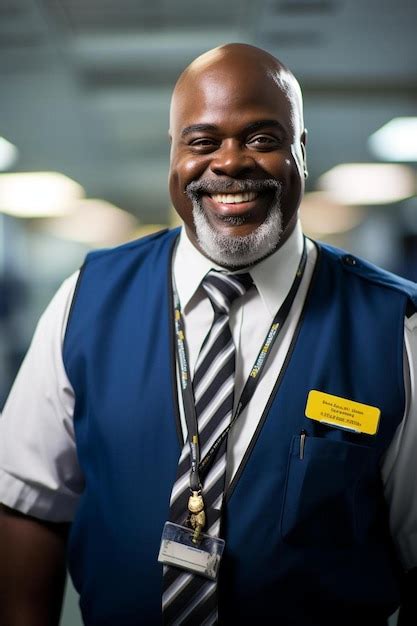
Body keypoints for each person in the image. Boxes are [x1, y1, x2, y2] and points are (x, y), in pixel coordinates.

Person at [0, 42, 416, 626]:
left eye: (262, 139)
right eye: (202, 141)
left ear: (301, 150)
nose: (230, 162)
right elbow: (29, 504)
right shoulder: (85, 300)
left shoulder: (394, 328)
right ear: (174, 154)